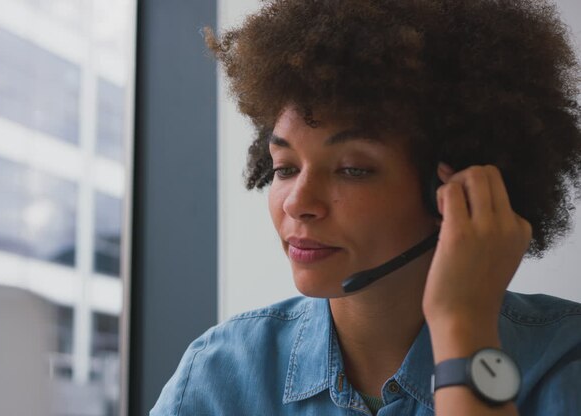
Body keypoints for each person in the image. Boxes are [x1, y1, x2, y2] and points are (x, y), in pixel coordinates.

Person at [151, 0, 581, 414]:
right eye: (284, 168)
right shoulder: (217, 374)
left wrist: (463, 327)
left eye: (352, 169)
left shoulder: (564, 358)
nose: (299, 203)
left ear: (456, 187)